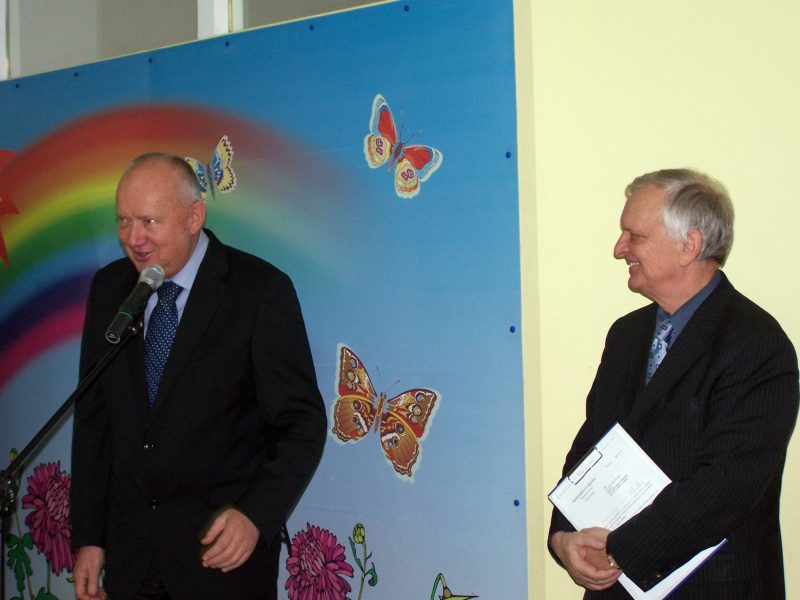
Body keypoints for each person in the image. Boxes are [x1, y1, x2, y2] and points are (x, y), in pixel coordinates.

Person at [70, 153, 327, 599]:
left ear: (194, 217)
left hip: (220, 561)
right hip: (133, 560)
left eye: (149, 222)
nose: (134, 238)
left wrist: (256, 515)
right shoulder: (110, 289)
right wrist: (90, 538)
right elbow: (95, 422)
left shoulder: (258, 291)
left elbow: (302, 422)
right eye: (124, 221)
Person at [548, 168, 799, 599]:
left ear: (689, 245)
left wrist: (618, 548)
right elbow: (592, 446)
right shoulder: (626, 335)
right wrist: (564, 536)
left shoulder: (757, 343)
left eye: (635, 236)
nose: (619, 249)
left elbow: (725, 487)